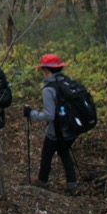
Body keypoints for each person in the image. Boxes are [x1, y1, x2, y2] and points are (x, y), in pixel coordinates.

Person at [23, 53, 79, 192]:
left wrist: (31, 113)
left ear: (46, 70)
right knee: (64, 152)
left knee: (47, 153)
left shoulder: (49, 89)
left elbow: (49, 115)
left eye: (42, 70)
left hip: (57, 130)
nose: (42, 73)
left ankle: (42, 181)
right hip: (71, 128)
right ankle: (72, 184)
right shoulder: (67, 82)